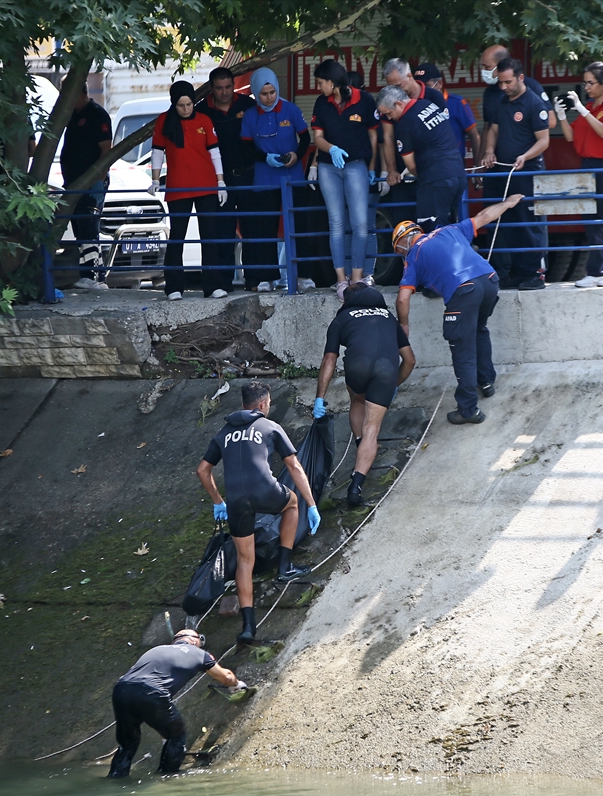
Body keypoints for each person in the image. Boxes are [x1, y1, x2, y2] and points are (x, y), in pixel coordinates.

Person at [197, 381, 321, 643]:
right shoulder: (270, 426)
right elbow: (295, 467)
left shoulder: (223, 433)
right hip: (265, 492)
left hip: (236, 502)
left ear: (243, 405)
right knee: (292, 503)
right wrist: (311, 504)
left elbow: (202, 470)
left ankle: (248, 628)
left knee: (245, 560)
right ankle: (285, 567)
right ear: (263, 404)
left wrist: (218, 501)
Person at [393, 195, 523, 424]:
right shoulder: (448, 230)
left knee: (462, 349)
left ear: (402, 243)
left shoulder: (413, 256)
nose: (401, 255)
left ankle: (468, 409)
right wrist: (508, 203)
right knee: (479, 329)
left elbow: (403, 298)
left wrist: (403, 324)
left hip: (465, 290)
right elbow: (484, 216)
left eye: (399, 251)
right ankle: (486, 381)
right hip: (490, 279)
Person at [314, 283, 415, 505]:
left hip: (357, 367)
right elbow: (409, 360)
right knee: (372, 429)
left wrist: (320, 397)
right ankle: (356, 486)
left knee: (358, 400)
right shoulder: (389, 317)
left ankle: (361, 448)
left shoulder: (342, 318)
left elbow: (329, 360)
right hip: (387, 369)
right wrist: (393, 383)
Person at [108, 629, 242, 777]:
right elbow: (227, 678)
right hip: (152, 692)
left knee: (127, 743)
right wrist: (236, 684)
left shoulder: (157, 649)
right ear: (192, 640)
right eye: (200, 640)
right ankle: (168, 778)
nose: (200, 644)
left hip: (122, 690)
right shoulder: (198, 653)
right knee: (176, 735)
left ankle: (115, 777)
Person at [149, 81, 228, 301]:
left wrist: (220, 182)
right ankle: (174, 287)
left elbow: (215, 153)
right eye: (181, 105)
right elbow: (157, 151)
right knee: (177, 237)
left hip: (206, 186)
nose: (186, 109)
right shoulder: (164, 121)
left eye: (189, 104)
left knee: (209, 236)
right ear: (174, 104)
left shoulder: (204, 120)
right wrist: (155, 179)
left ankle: (212, 286)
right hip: (178, 187)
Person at [554, 62, 603, 287]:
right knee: (591, 222)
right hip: (586, 166)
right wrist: (562, 115)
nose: (587, 87)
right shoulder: (589, 107)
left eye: (591, 82)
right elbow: (569, 137)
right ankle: (595, 272)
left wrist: (583, 111)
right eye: (585, 82)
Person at [311, 59, 380, 297]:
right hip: (329, 166)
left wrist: (372, 168)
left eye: (320, 82)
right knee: (337, 223)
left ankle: (358, 279)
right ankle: (341, 279)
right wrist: (332, 149)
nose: (318, 87)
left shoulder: (364, 100)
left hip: (356, 165)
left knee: (361, 224)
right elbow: (317, 137)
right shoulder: (322, 103)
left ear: (331, 81)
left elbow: (373, 137)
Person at [483, 59, 550, 291]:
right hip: (504, 171)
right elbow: (493, 129)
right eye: (501, 82)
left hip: (528, 172)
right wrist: (489, 150)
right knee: (508, 223)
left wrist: (525, 156)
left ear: (520, 78)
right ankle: (517, 272)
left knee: (529, 224)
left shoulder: (534, 103)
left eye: (508, 82)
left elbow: (544, 141)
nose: (503, 86)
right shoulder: (502, 102)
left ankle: (535, 274)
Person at [241, 68, 309, 293]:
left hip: (292, 176)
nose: (269, 97)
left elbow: (305, 137)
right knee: (265, 228)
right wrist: (266, 158)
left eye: (272, 92)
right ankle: (267, 277)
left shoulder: (290, 109)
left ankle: (302, 275)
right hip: (265, 177)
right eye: (264, 94)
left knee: (298, 226)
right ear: (255, 94)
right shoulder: (251, 115)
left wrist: (296, 155)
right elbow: (247, 147)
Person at [196, 67, 258, 295]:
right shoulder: (202, 111)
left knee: (252, 227)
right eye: (219, 88)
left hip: (247, 174)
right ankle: (223, 282)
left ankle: (254, 279)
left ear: (234, 86)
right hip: (218, 180)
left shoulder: (247, 105)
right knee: (222, 231)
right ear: (211, 89)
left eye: (228, 87)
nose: (224, 92)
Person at [377, 84, 467, 232]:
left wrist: (419, 174)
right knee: (450, 228)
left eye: (388, 113)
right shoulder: (427, 104)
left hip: (435, 180)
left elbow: (411, 166)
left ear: (399, 104)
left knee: (431, 232)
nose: (389, 118)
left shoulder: (405, 124)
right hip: (457, 173)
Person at [60, 85, 112, 290]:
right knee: (80, 228)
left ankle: (95, 276)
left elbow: (106, 148)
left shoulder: (97, 114)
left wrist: (98, 177)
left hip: (91, 184)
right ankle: (88, 274)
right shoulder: (72, 115)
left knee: (89, 225)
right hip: (73, 183)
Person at [379, 58, 446, 195]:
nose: (394, 91)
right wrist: (391, 170)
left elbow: (444, 134)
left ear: (409, 76)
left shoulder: (433, 96)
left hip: (432, 170)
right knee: (402, 215)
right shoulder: (388, 100)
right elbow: (388, 136)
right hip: (402, 174)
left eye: (398, 86)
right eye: (390, 87)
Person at [415, 63, 482, 168]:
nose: (422, 90)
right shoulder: (415, 106)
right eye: (419, 86)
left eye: (426, 85)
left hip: (454, 166)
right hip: (426, 166)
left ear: (439, 83)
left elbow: (474, 135)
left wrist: (478, 166)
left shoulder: (457, 103)